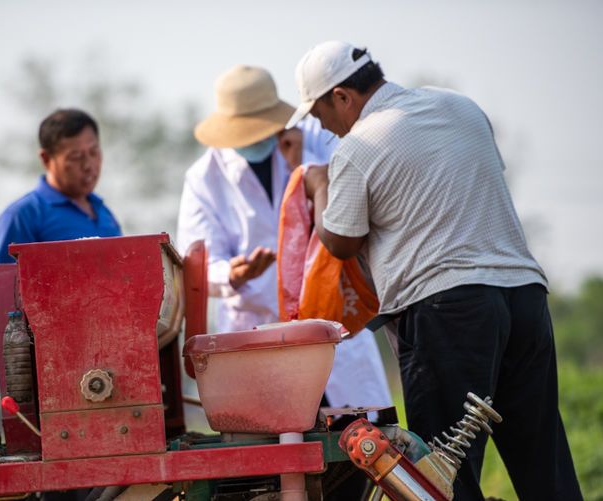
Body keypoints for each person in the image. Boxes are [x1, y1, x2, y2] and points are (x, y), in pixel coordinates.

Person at [288, 40, 582, 500]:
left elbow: (340, 241)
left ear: (342, 97)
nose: (324, 128)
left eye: (320, 114)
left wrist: (319, 184)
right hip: (523, 296)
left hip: (448, 312)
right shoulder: (461, 107)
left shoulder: (359, 147)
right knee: (542, 460)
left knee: (441, 479)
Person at [176, 65, 391, 413]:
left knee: (359, 442)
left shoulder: (319, 140)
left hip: (332, 322)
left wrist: (300, 169)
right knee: (268, 448)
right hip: (255, 331)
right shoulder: (204, 178)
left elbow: (352, 213)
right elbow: (198, 260)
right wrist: (232, 274)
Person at [0, 108, 121, 265]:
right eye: (76, 156)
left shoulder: (105, 215)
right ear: (46, 159)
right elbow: (1, 286)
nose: (88, 165)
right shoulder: (22, 217)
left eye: (94, 152)